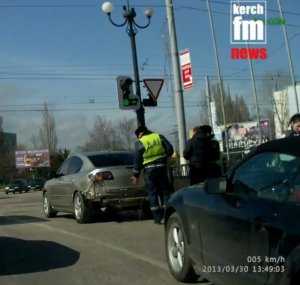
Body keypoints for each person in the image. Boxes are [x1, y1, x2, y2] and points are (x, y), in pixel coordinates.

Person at [131, 126, 174, 224]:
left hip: (149, 170)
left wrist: (135, 175)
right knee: (165, 191)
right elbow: (170, 149)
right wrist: (164, 158)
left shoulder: (140, 142)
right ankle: (167, 215)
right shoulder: (159, 136)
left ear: (140, 134)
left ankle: (157, 218)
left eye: (138, 136)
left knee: (152, 193)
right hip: (162, 167)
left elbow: (138, 159)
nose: (138, 138)